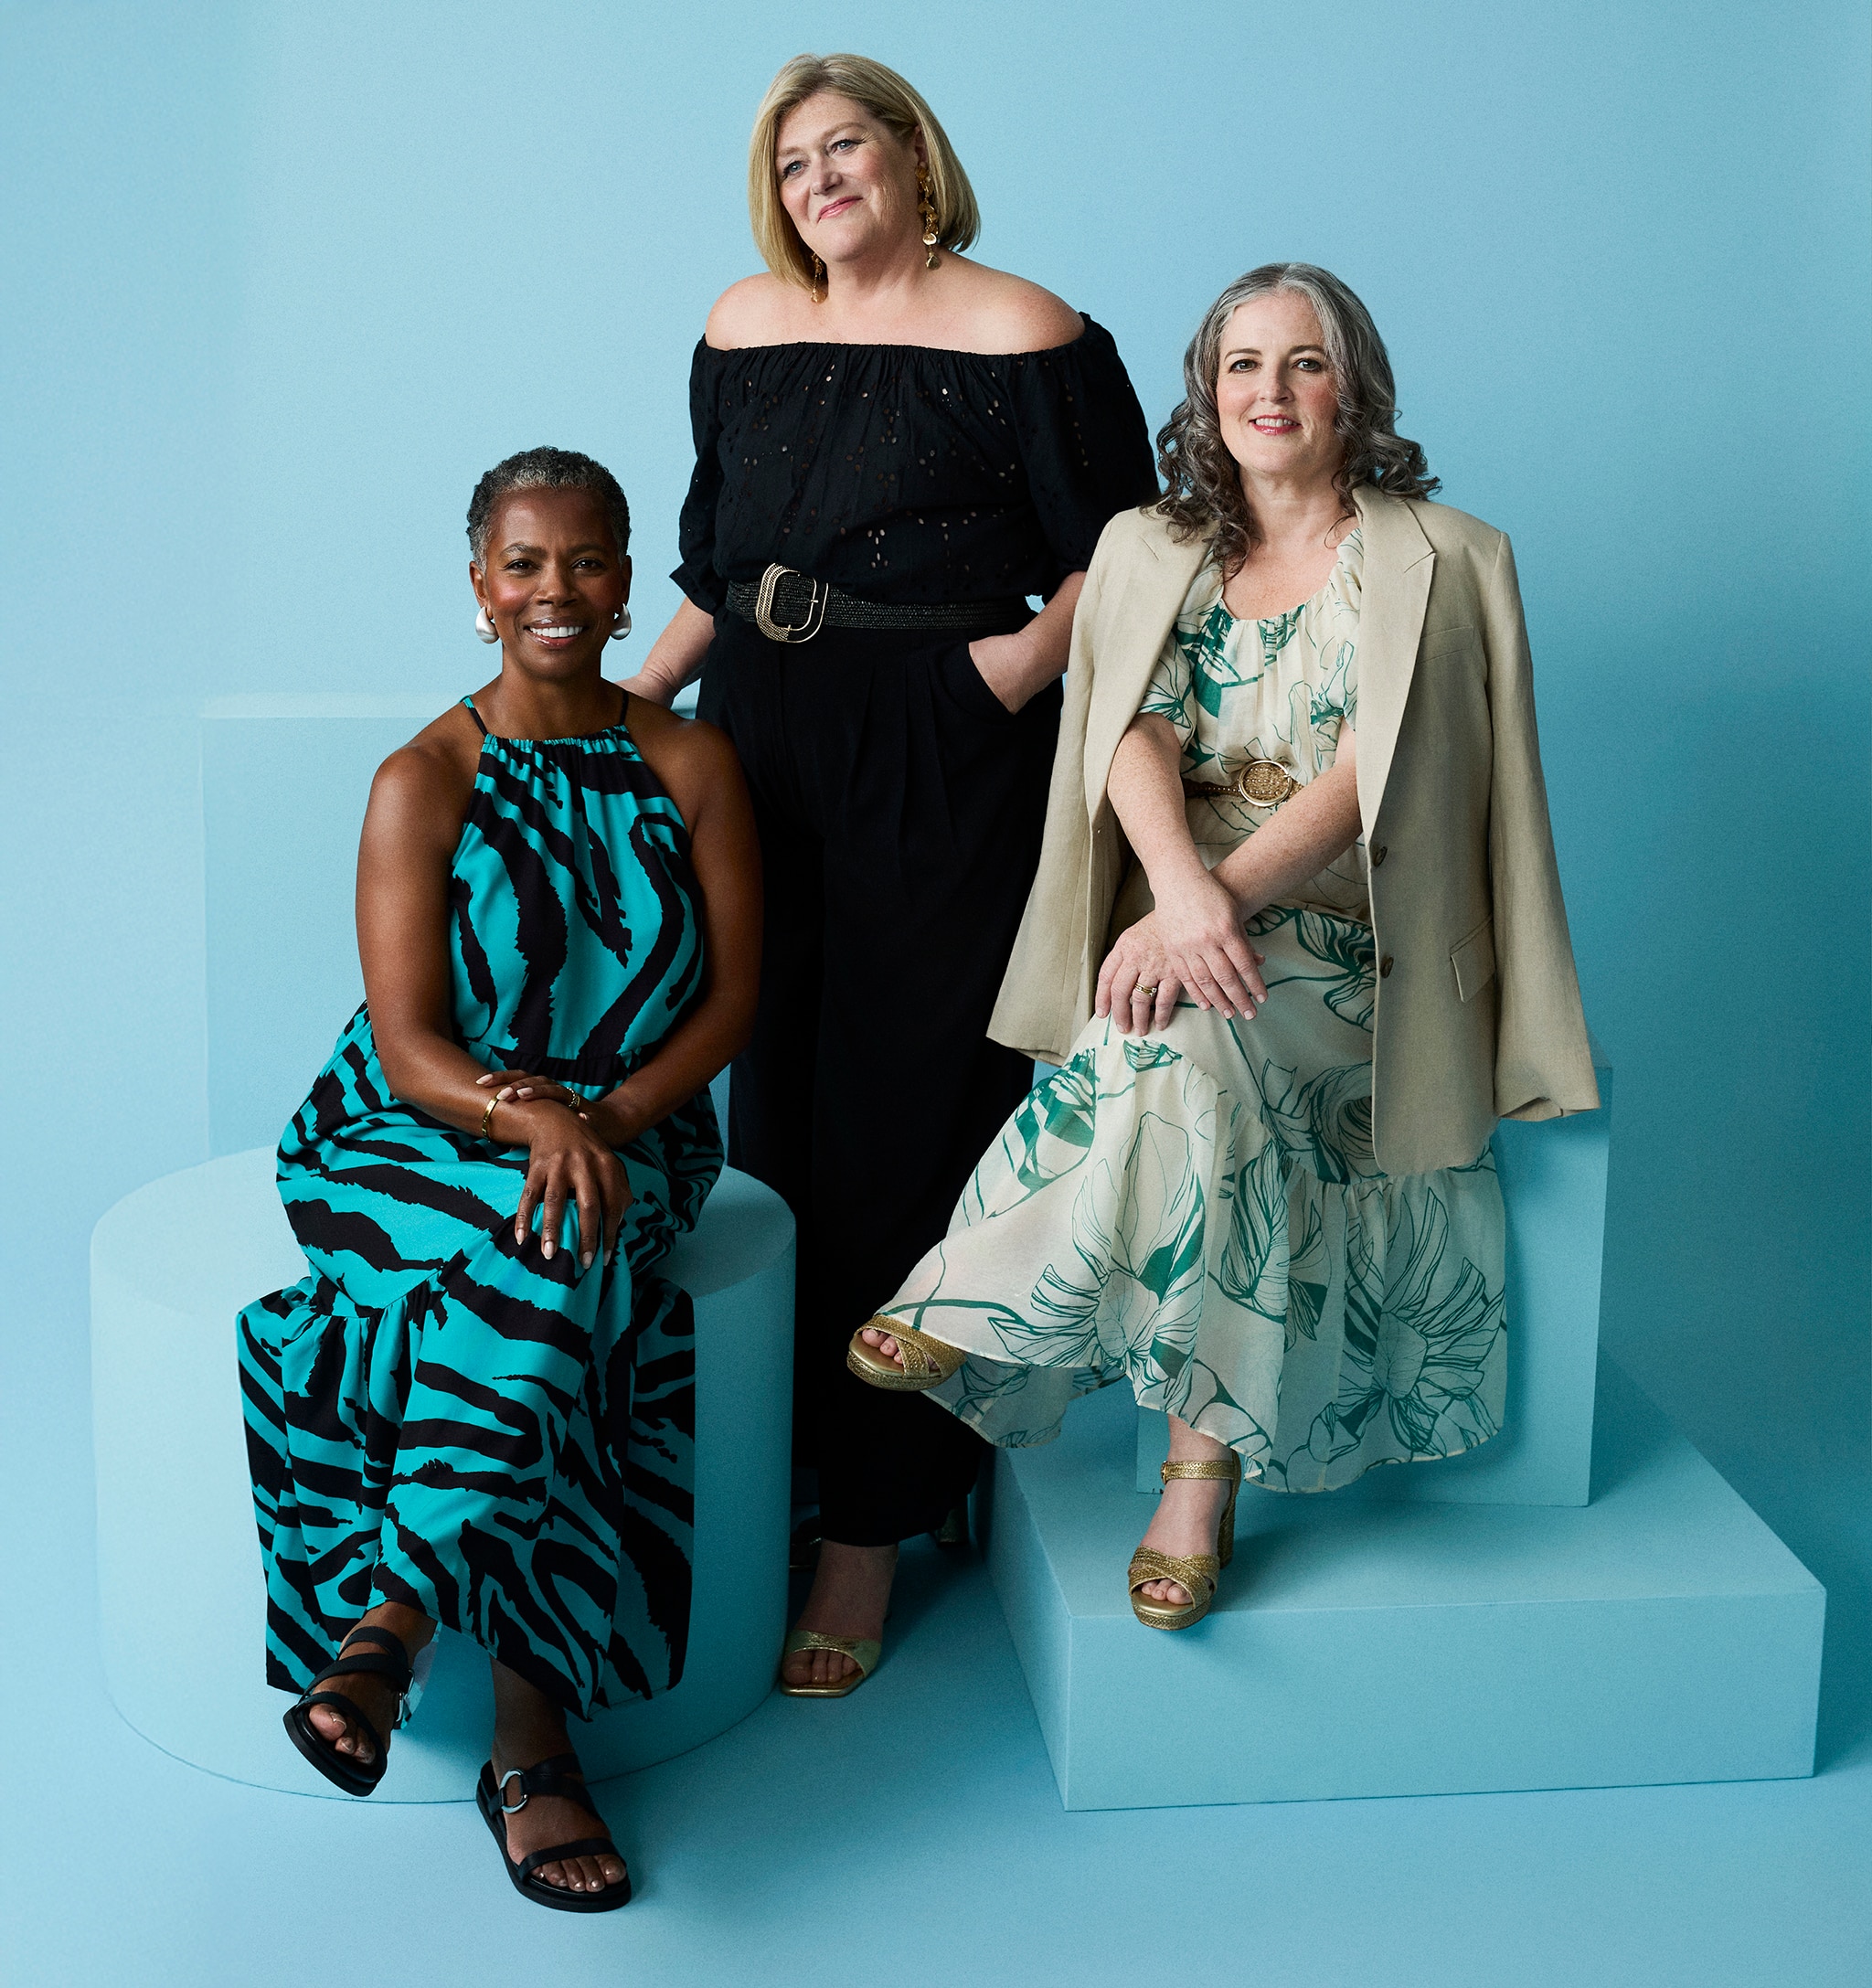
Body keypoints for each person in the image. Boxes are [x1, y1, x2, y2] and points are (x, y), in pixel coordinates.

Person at [850, 264, 1599, 1630]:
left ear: (1353, 388)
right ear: (1207, 391)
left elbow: (1376, 773)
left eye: (1304, 362)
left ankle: (981, 1295)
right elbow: (1121, 722)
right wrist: (1180, 898)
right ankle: (1199, 1481)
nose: (1271, 391)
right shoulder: (1149, 546)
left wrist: (1210, 905)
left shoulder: (1450, 555)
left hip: (1359, 948)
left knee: (1173, 1030)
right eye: (1242, 364)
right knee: (1174, 1044)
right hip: (1186, 914)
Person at [623, 52, 1157, 1695]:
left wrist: (1002, 679)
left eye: (846, 148)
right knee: (767, 1103)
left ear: (917, 157)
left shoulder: (1027, 329)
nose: (820, 182)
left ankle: (875, 1518)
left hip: (943, 733)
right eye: (793, 165)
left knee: (910, 1115)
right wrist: (625, 709)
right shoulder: (740, 325)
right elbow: (716, 565)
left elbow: (1127, 552)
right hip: (756, 731)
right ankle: (792, 1466)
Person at [236, 447, 760, 1908]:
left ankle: (388, 1627)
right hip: (413, 1129)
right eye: (523, 563)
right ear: (480, 586)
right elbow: (407, 1044)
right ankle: (533, 1748)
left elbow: (732, 1002)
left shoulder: (692, 764)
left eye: (585, 561)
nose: (555, 589)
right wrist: (535, 1123)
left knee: (563, 1240)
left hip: (636, 1121)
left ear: (626, 580)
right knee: (558, 1262)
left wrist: (610, 1118)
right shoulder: (424, 778)